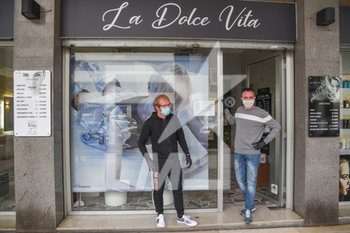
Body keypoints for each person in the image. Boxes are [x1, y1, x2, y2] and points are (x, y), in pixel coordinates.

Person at [138, 94, 198, 228]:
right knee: (158, 189)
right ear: (157, 107)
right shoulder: (150, 122)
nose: (167, 108)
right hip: (158, 161)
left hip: (174, 161)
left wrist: (187, 153)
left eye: (168, 105)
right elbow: (140, 143)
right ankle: (159, 215)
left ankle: (181, 216)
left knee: (177, 189)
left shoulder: (173, 119)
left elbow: (181, 137)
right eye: (164, 106)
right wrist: (148, 160)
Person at [224, 87, 281, 225]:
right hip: (238, 152)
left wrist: (264, 142)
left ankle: (248, 208)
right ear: (242, 99)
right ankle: (250, 203)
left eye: (250, 97)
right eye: (245, 98)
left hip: (253, 153)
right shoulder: (239, 110)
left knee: (251, 182)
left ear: (254, 98)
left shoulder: (262, 113)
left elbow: (277, 127)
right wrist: (225, 109)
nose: (248, 100)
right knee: (240, 180)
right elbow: (232, 121)